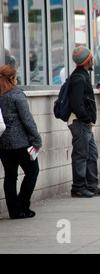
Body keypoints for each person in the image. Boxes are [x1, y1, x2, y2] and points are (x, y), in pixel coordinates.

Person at [0, 65, 41, 219]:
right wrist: (36, 139)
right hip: (20, 143)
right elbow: (27, 120)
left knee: (10, 176)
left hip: (3, 143)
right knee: (32, 172)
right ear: (12, 78)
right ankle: (23, 204)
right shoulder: (17, 95)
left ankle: (14, 210)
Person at [68, 46, 100, 198]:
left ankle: (91, 185)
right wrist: (87, 119)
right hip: (80, 122)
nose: (93, 61)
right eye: (91, 58)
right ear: (87, 60)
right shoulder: (78, 78)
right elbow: (77, 104)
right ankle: (78, 187)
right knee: (81, 154)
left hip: (84, 123)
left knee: (91, 154)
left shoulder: (81, 76)